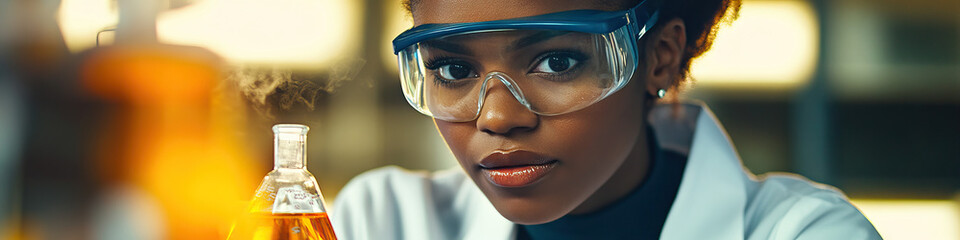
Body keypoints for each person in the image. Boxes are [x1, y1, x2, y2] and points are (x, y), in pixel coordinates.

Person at [331, 0, 882, 239]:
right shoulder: (378, 223)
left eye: (557, 61)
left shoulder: (804, 235)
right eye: (452, 69)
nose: (497, 116)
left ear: (659, 56)